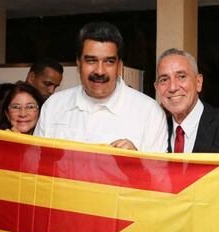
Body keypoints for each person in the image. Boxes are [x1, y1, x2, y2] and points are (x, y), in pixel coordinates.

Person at [34, 21, 168, 152]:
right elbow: (36, 164)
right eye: (91, 60)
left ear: (119, 66)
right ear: (78, 64)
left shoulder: (149, 113)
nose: (99, 71)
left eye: (109, 62)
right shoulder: (54, 106)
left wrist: (135, 162)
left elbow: (157, 172)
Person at [155, 48, 219, 153]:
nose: (173, 87)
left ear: (198, 82)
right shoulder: (155, 129)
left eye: (181, 77)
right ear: (157, 87)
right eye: (164, 80)